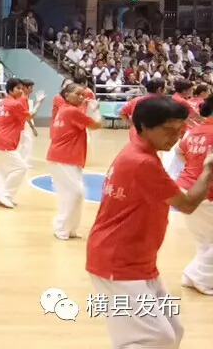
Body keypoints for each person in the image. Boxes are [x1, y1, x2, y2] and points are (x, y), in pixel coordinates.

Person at [87, 96, 213, 349]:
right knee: (152, 338)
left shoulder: (140, 146)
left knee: (173, 331)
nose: (175, 137)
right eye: (168, 130)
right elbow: (187, 204)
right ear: (144, 127)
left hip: (140, 262)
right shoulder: (142, 162)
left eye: (180, 130)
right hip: (117, 263)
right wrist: (208, 169)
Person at [46, 83, 103, 241]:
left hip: (68, 157)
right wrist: (95, 109)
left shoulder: (66, 110)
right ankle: (61, 227)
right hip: (62, 157)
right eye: (77, 94)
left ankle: (69, 228)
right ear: (67, 95)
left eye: (83, 95)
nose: (81, 97)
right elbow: (96, 125)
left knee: (72, 194)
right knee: (76, 192)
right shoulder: (71, 111)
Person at [173, 95, 213, 296]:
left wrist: (193, 166)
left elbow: (180, 152)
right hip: (206, 194)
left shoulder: (194, 131)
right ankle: (198, 276)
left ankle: (193, 278)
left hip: (186, 188)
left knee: (204, 239)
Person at [0, 78, 45, 209]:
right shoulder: (15, 104)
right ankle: (6, 195)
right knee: (21, 168)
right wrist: (39, 103)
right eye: (18, 88)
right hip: (5, 140)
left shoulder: (3, 102)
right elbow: (29, 116)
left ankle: (1, 195)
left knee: (4, 171)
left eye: (22, 88)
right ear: (10, 90)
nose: (21, 91)